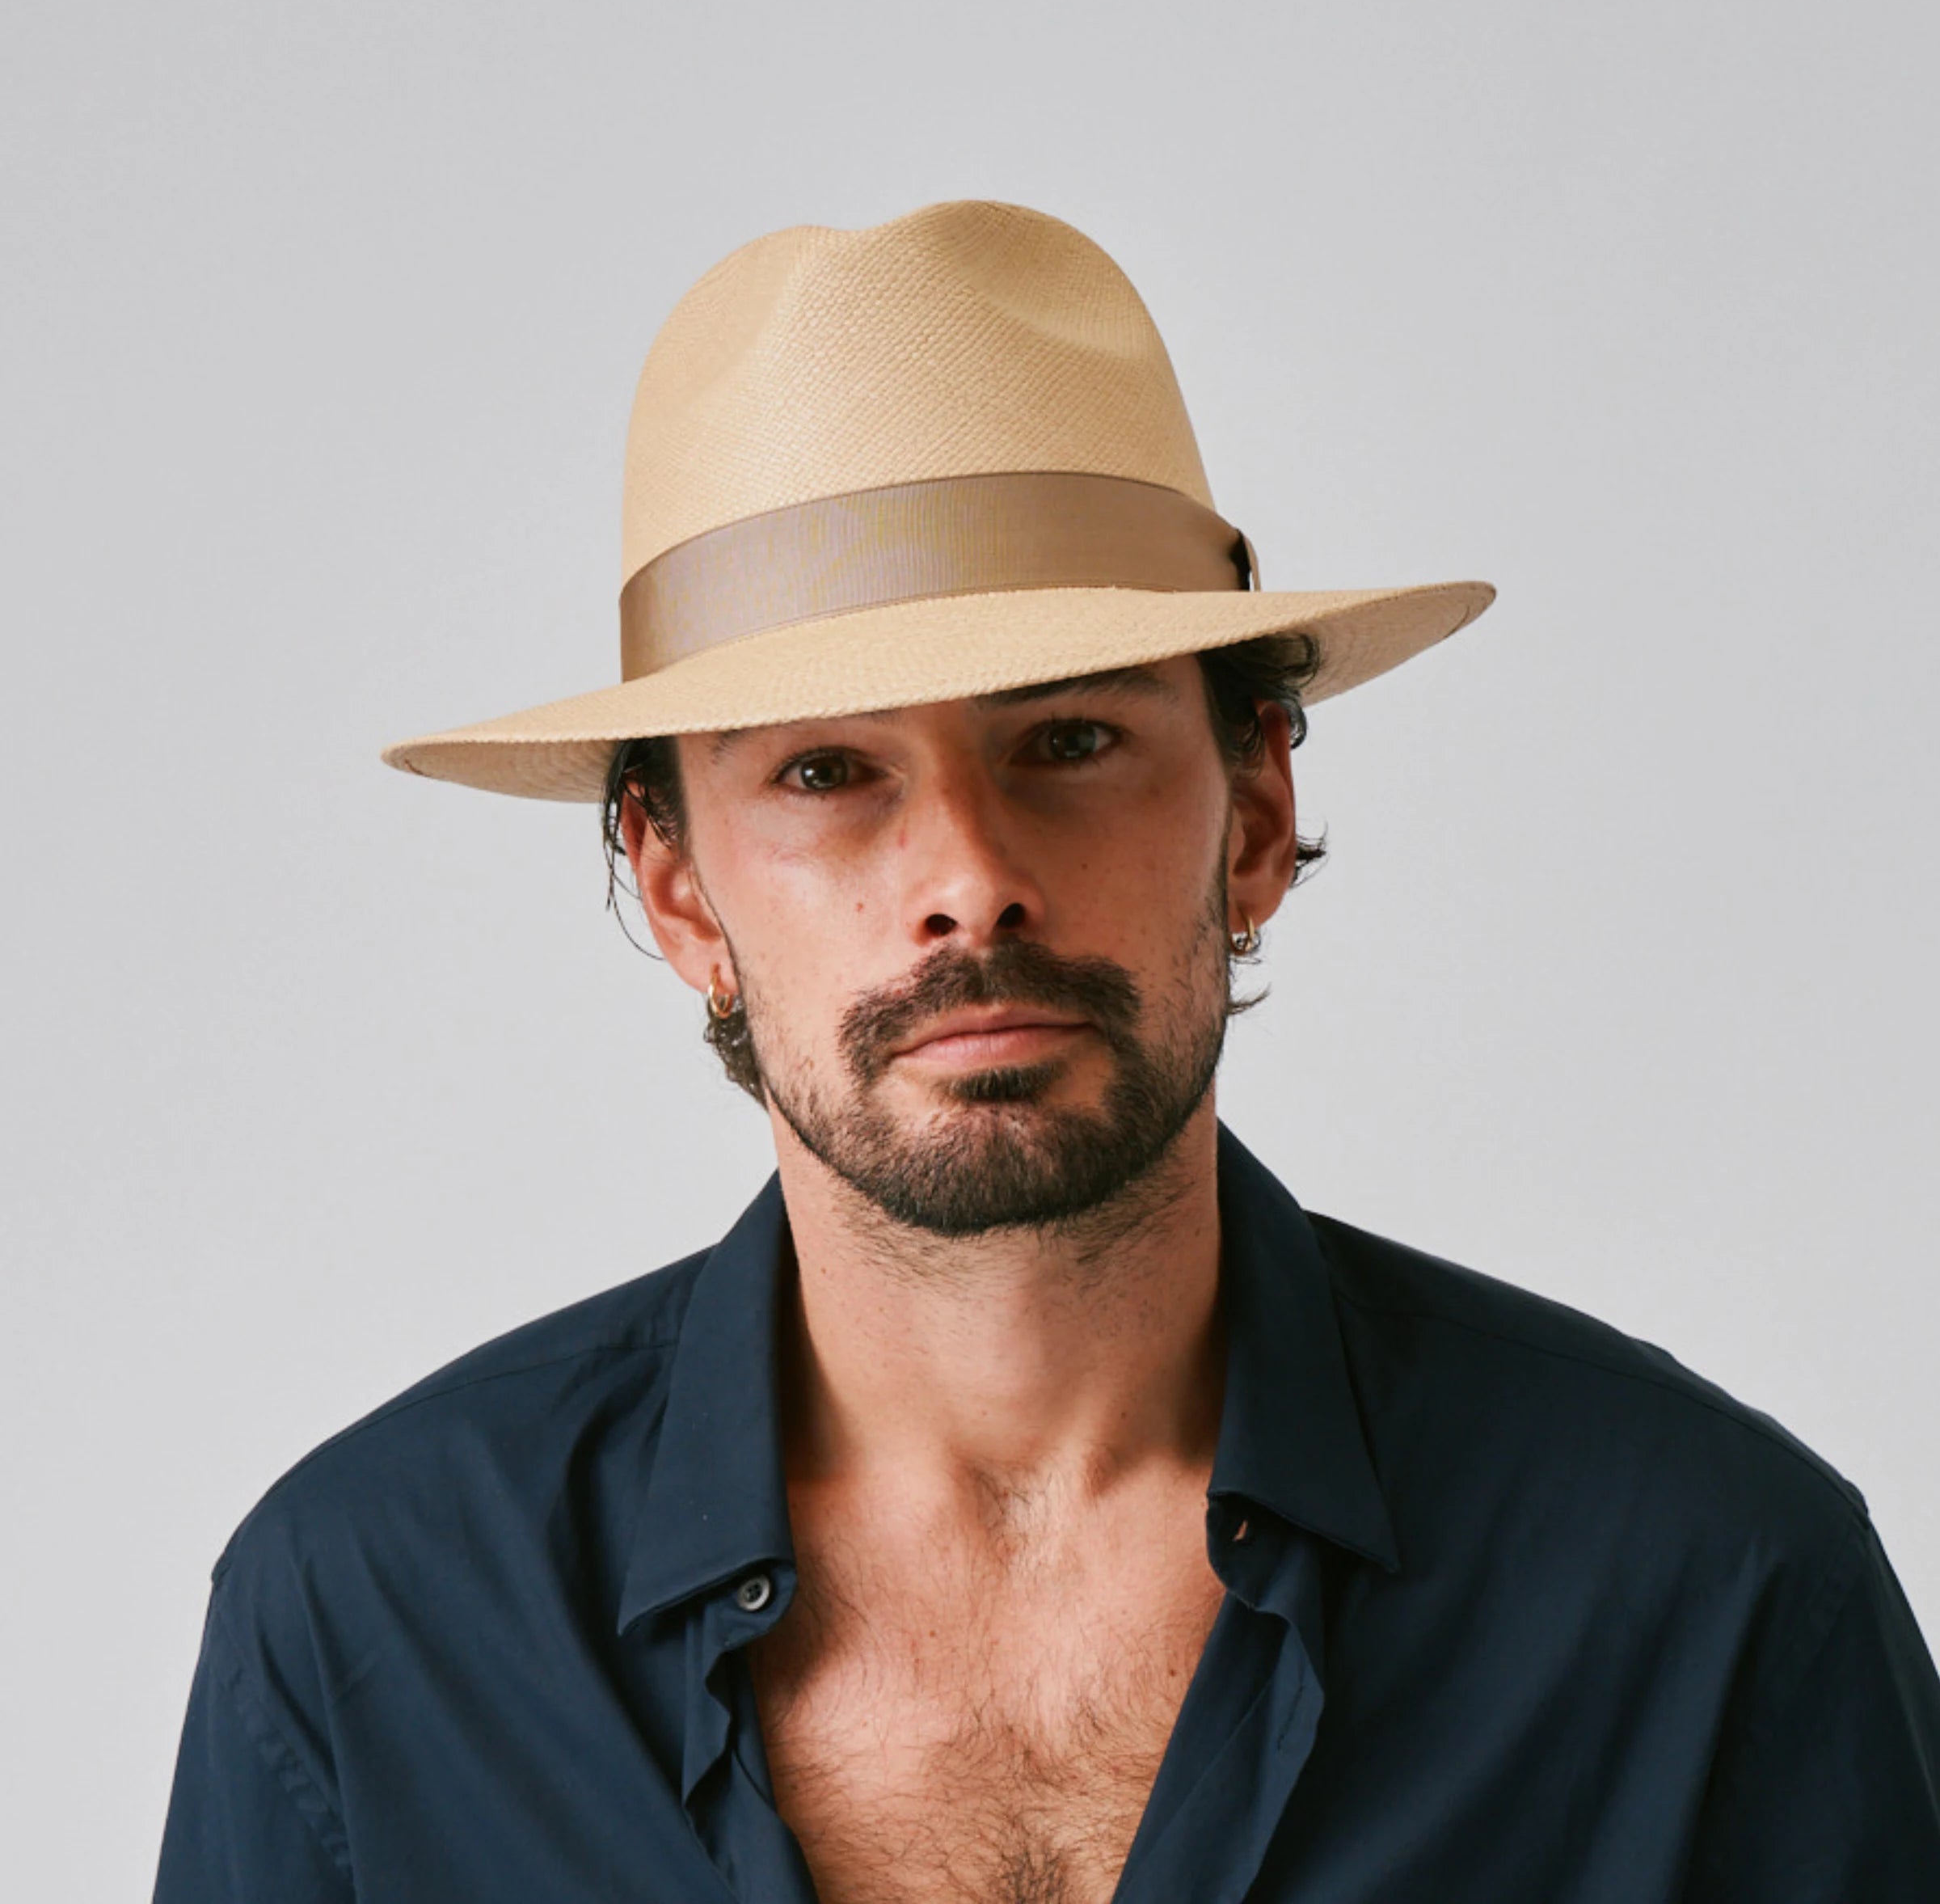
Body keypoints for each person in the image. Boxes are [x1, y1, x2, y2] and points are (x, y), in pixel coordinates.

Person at [154, 200, 1940, 1903]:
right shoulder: (374, 1622)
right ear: (680, 888)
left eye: (1069, 740)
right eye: (828, 774)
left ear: (1253, 812)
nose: (971, 884)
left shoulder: (1705, 1590)